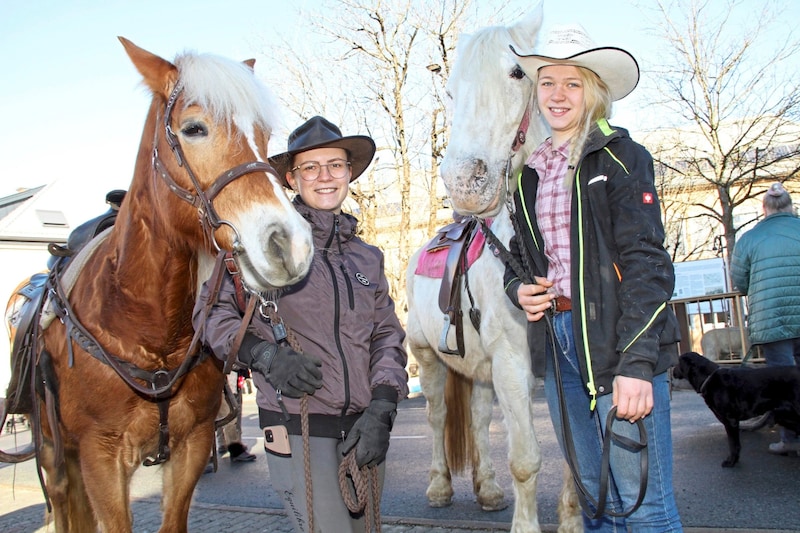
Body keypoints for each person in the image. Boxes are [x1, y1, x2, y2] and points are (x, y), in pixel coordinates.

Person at [504, 25, 683, 531]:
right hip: (558, 346)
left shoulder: (623, 157)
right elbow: (520, 257)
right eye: (548, 82)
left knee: (643, 503)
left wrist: (638, 363)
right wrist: (518, 289)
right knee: (594, 497)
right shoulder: (527, 173)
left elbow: (648, 263)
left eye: (573, 83)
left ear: (595, 92)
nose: (558, 95)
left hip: (616, 342)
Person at [193, 115, 409, 533]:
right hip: (299, 425)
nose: (325, 177)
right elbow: (209, 315)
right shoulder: (259, 243)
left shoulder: (368, 257)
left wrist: (383, 405)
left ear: (349, 173)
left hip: (364, 427)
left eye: (336, 165)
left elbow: (386, 336)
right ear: (292, 179)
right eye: (311, 167)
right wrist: (267, 356)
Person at [730, 182, 800, 455]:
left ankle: (791, 440)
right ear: (790, 206)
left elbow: (740, 280)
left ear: (764, 209)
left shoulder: (749, 238)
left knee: (782, 379)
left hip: (773, 318)